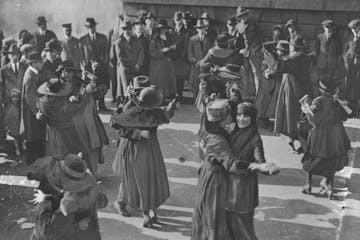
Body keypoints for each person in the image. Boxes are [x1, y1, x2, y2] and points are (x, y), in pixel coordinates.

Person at [191, 99, 268, 240]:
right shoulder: (218, 138)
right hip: (216, 182)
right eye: (235, 115)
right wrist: (257, 166)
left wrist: (261, 164)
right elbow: (232, 164)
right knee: (213, 220)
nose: (238, 118)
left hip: (233, 186)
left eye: (245, 116)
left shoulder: (221, 131)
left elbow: (258, 156)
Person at [111, 86, 176, 227]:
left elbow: (164, 116)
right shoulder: (130, 109)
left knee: (149, 178)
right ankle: (128, 204)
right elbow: (117, 125)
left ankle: (146, 207)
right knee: (134, 178)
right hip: (134, 148)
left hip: (150, 148)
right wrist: (137, 133)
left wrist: (171, 108)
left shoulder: (154, 110)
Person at [228, 102, 279, 240]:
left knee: (244, 229)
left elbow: (259, 160)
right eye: (239, 115)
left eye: (246, 115)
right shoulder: (231, 129)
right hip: (227, 185)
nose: (241, 118)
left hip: (243, 188)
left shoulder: (254, 138)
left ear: (252, 118)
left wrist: (266, 168)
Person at [29, 153, 103, 240]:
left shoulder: (69, 202)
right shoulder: (89, 184)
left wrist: (44, 202)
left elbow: (47, 232)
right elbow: (101, 201)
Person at [301, 75, 351, 198]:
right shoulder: (338, 101)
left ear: (322, 89)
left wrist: (306, 110)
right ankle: (327, 183)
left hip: (320, 135)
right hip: (336, 134)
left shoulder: (318, 100)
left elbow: (314, 120)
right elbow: (345, 116)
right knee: (331, 160)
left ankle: (308, 185)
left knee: (311, 158)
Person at [57, 60, 109, 176]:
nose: (69, 74)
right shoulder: (58, 85)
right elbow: (70, 103)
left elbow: (92, 94)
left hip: (88, 119)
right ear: (61, 72)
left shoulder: (77, 81)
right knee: (79, 147)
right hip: (73, 123)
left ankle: (91, 171)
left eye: (71, 72)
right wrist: (85, 92)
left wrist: (93, 88)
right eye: (66, 72)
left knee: (92, 145)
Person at [264, 34, 312, 153]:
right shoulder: (306, 57)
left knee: (289, 116)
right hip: (304, 89)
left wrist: (269, 73)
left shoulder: (290, 59)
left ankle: (296, 142)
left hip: (291, 89)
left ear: (292, 46)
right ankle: (301, 142)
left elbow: (277, 68)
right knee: (303, 115)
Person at [36, 77, 89, 156]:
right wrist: (82, 96)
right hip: (64, 131)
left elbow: (40, 112)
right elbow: (77, 109)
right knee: (66, 153)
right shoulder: (62, 103)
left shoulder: (42, 100)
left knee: (54, 152)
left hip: (51, 130)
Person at [255, 40, 289, 129]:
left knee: (271, 102)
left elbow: (279, 70)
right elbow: (265, 68)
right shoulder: (270, 57)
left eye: (279, 50)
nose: (278, 51)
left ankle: (265, 118)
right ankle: (261, 118)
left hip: (275, 82)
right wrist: (268, 72)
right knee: (264, 100)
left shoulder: (284, 59)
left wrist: (272, 73)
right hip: (268, 82)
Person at [0, 44, 26, 153]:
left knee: (22, 120)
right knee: (13, 122)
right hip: (10, 100)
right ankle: (16, 145)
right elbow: (2, 86)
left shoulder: (24, 68)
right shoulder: (4, 69)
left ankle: (23, 142)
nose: (15, 56)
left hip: (22, 99)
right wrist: (5, 99)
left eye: (17, 54)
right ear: (9, 56)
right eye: (13, 54)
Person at [21, 51, 46, 165]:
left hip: (32, 110)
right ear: (35, 63)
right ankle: (32, 162)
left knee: (35, 135)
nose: (42, 64)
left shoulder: (33, 72)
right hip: (31, 112)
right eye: (40, 62)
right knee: (33, 136)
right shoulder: (30, 76)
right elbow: (30, 97)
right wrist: (37, 112)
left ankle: (35, 161)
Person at [80, 17, 110, 112]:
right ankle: (92, 106)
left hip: (100, 67)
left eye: (93, 26)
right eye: (89, 27)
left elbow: (106, 54)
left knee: (101, 85)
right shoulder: (83, 40)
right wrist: (86, 66)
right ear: (87, 28)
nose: (91, 28)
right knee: (90, 87)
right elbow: (81, 56)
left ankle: (101, 105)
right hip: (89, 68)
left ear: (95, 27)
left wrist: (100, 64)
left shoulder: (103, 38)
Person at [115, 20, 144, 105]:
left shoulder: (136, 40)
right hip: (125, 69)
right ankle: (125, 106)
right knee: (126, 90)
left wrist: (138, 64)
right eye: (126, 29)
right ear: (123, 30)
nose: (128, 31)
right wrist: (132, 66)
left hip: (136, 68)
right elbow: (120, 57)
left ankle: (133, 105)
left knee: (135, 89)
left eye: (130, 29)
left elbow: (141, 52)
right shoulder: (119, 42)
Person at [236, 6, 263, 95]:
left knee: (256, 73)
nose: (244, 17)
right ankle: (245, 94)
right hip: (244, 54)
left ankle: (258, 94)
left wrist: (257, 48)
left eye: (245, 15)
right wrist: (241, 50)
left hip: (255, 52)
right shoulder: (238, 27)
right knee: (244, 74)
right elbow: (237, 43)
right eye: (242, 15)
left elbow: (260, 38)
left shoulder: (254, 25)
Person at [313, 20, 344, 97]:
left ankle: (329, 100)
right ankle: (318, 98)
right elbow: (316, 50)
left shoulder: (337, 39)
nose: (328, 29)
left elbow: (339, 53)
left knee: (330, 82)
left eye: (330, 28)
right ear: (323, 28)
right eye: (327, 27)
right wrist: (317, 62)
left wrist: (336, 64)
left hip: (331, 65)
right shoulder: (320, 37)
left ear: (333, 28)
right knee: (319, 81)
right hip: (321, 65)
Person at [149, 19, 177, 99]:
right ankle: (158, 97)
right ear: (158, 29)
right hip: (157, 63)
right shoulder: (154, 38)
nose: (163, 30)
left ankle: (168, 97)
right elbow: (152, 52)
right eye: (162, 28)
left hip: (167, 63)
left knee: (168, 81)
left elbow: (172, 50)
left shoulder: (169, 37)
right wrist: (162, 51)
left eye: (165, 28)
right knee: (159, 81)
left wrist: (172, 48)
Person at [188, 19, 214, 101]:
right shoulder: (192, 39)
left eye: (202, 28)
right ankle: (196, 100)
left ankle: (204, 100)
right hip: (196, 66)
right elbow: (190, 54)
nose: (201, 30)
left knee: (206, 85)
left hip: (206, 67)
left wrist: (206, 62)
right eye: (199, 28)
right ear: (197, 29)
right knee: (195, 84)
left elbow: (212, 52)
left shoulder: (210, 39)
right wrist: (196, 62)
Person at [172, 11, 190, 101]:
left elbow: (186, 46)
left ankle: (179, 95)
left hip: (180, 58)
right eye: (176, 20)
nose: (178, 22)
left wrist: (182, 56)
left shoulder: (185, 32)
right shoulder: (172, 31)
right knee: (172, 77)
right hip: (172, 58)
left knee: (180, 78)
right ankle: (173, 95)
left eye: (179, 20)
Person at [343, 19, 360, 103]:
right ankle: (350, 99)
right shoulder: (350, 36)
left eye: (355, 28)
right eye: (352, 28)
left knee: (357, 81)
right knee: (349, 80)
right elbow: (345, 48)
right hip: (349, 63)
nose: (353, 30)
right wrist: (346, 58)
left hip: (359, 63)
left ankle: (357, 99)